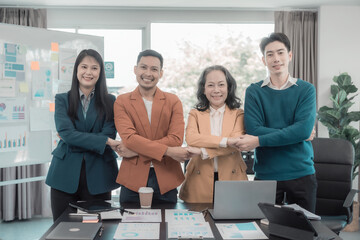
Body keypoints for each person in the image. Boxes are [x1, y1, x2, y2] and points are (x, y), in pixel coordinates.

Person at [236, 32, 317, 212]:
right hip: (266, 174)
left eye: (280, 53)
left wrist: (259, 140)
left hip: (301, 173)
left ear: (289, 55)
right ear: (264, 60)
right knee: (264, 230)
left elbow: (302, 130)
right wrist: (294, 132)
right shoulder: (254, 91)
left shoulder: (306, 90)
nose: (276, 58)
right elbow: (253, 129)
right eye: (270, 54)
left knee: (304, 232)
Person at [46, 49, 121, 221]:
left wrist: (103, 139)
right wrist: (104, 141)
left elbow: (109, 132)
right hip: (64, 175)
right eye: (84, 67)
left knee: (96, 228)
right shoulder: (62, 99)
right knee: (63, 229)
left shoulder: (110, 101)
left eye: (94, 68)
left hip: (99, 175)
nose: (88, 72)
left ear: (100, 72)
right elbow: (67, 134)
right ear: (76, 70)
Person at [114, 49, 189, 204]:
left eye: (154, 69)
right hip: (132, 179)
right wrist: (168, 151)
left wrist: (135, 150)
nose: (148, 73)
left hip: (166, 177)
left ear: (161, 73)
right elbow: (129, 139)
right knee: (130, 226)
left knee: (165, 226)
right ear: (135, 70)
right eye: (143, 67)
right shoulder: (122, 101)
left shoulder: (173, 101)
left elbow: (175, 139)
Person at [179, 65, 248, 203]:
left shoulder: (238, 114)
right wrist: (226, 141)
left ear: (229, 87)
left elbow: (236, 145)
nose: (216, 90)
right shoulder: (195, 113)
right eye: (211, 85)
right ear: (203, 89)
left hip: (233, 178)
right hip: (198, 181)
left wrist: (202, 151)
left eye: (221, 85)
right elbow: (192, 139)